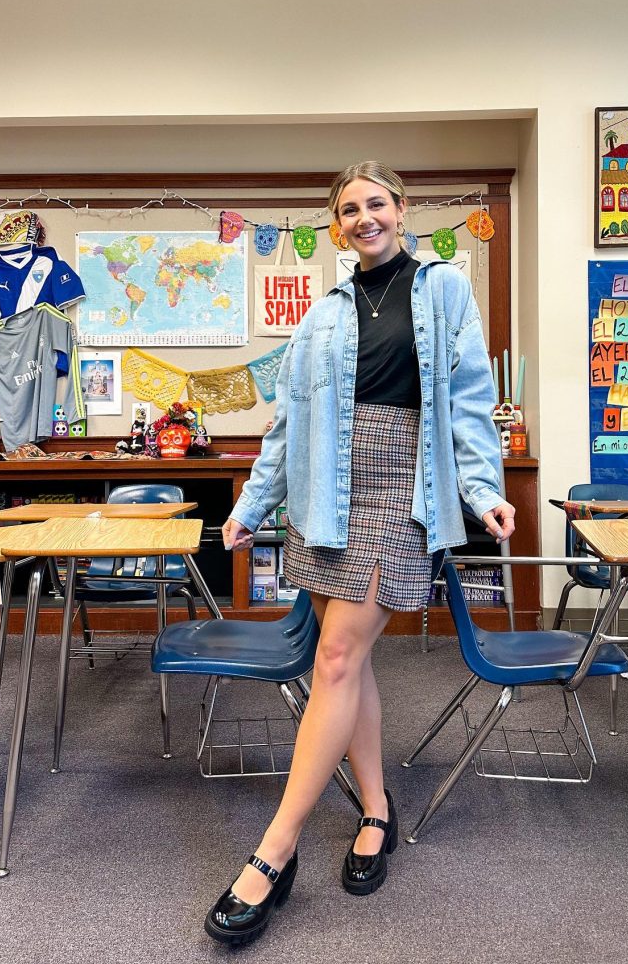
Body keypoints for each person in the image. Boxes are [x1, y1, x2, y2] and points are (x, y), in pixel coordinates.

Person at [208, 161, 516, 946]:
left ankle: (274, 852)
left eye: (375, 203)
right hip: (325, 495)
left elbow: (469, 394)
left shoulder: (442, 288)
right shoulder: (322, 313)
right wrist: (251, 505)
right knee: (350, 663)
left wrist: (482, 491)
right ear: (336, 225)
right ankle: (375, 810)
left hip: (401, 488)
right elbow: (286, 425)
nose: (363, 217)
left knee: (336, 660)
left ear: (401, 210)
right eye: (348, 210)